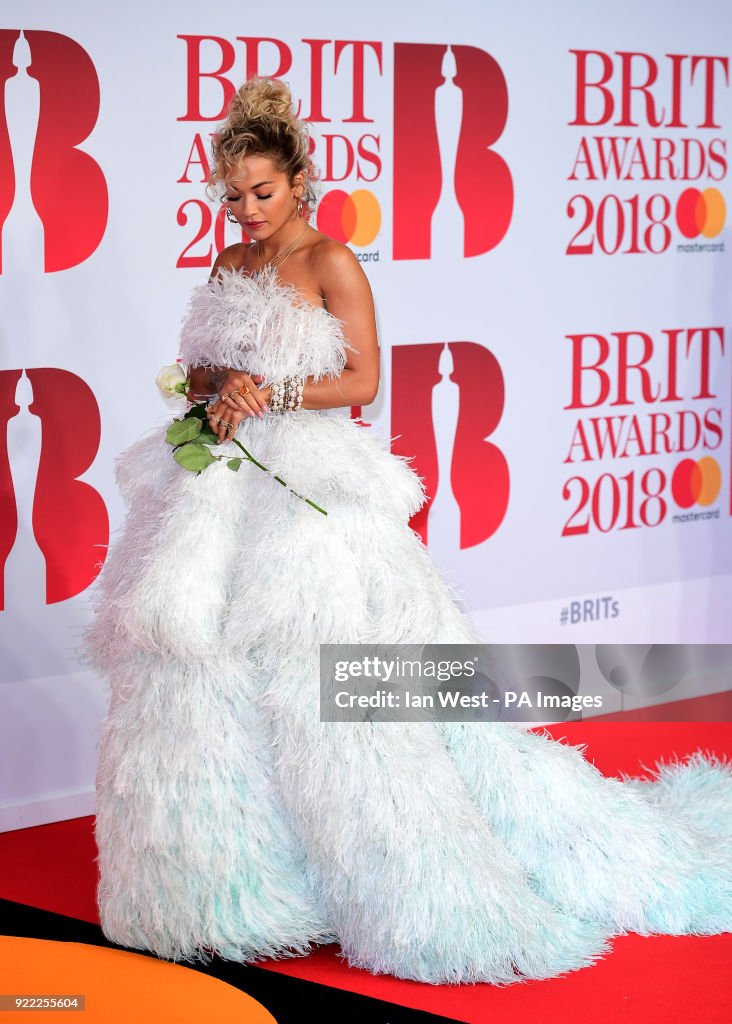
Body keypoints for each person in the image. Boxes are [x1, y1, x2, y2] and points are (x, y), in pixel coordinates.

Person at [81, 76, 732, 986]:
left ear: (299, 183)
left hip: (307, 492)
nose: (246, 210)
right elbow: (199, 375)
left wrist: (270, 392)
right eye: (231, 195)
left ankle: (389, 877)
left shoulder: (332, 262)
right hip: (220, 492)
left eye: (262, 193)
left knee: (331, 685)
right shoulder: (229, 267)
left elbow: (361, 385)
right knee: (202, 677)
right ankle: (242, 891)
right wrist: (214, 389)